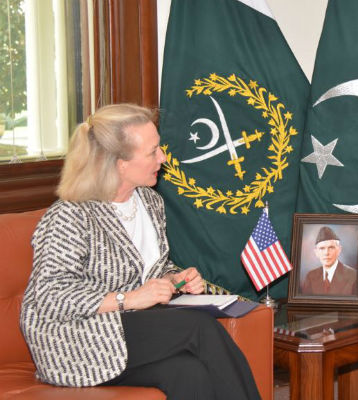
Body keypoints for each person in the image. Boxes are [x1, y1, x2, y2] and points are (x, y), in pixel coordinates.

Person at [20, 104, 260, 400]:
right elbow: (50, 295)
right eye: (153, 152)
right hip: (78, 340)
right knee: (200, 328)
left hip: (132, 332)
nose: (163, 157)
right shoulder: (70, 216)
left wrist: (174, 279)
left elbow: (151, 269)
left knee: (188, 373)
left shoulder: (149, 201)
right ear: (120, 163)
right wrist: (130, 298)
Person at [301, 226, 358, 295]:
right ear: (316, 252)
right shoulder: (310, 276)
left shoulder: (353, 276)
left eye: (331, 247)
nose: (326, 253)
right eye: (322, 248)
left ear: (339, 250)